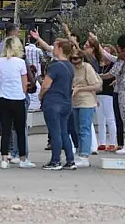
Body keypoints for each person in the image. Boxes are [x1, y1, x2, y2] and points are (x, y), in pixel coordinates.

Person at [36, 34, 77, 171]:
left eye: (54, 46)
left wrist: (41, 96)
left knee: (55, 132)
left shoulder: (55, 66)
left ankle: (55, 160)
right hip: (66, 102)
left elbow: (46, 85)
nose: (53, 48)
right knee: (64, 132)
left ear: (60, 48)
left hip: (53, 102)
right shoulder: (70, 66)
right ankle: (70, 160)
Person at [0, 36, 35, 169]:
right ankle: (23, 159)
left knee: (6, 130)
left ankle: (4, 158)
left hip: (3, 99)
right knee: (20, 130)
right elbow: (24, 84)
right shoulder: (20, 62)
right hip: (17, 98)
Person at [68, 49, 101, 167]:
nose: (75, 62)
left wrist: (79, 89)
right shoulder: (71, 68)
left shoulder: (87, 67)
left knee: (84, 128)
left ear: (82, 58)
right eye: (73, 59)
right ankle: (79, 152)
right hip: (74, 102)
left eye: (77, 60)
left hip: (87, 101)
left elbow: (96, 85)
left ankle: (84, 156)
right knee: (76, 129)